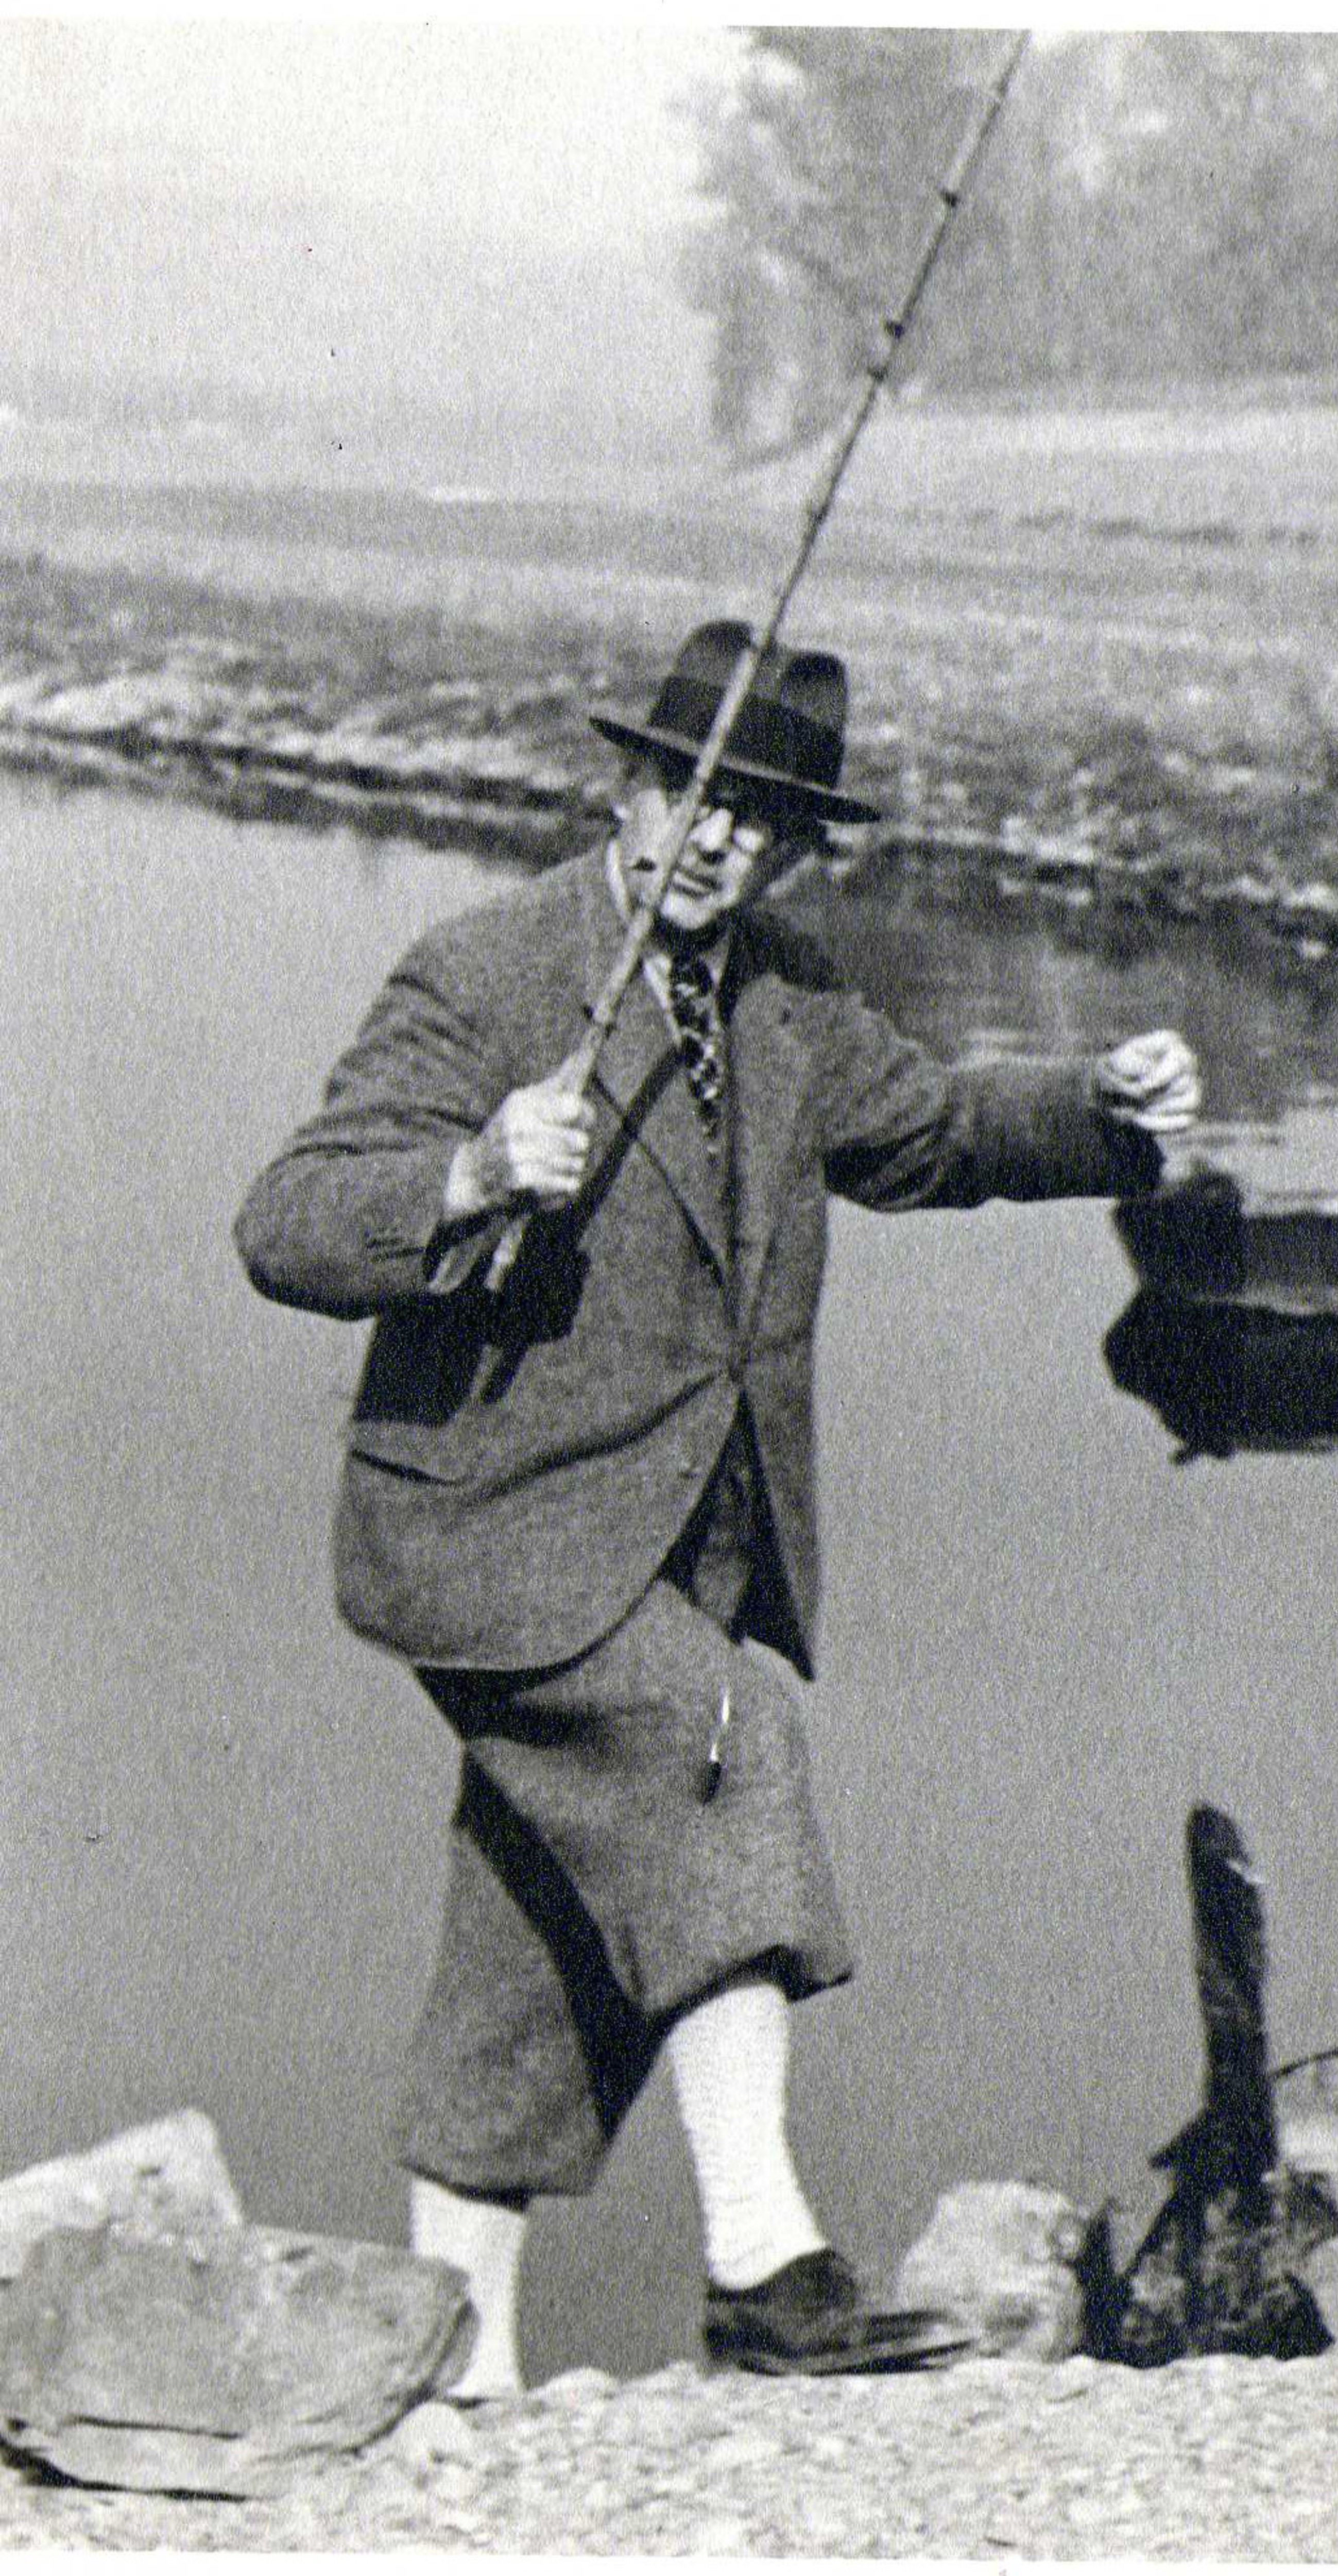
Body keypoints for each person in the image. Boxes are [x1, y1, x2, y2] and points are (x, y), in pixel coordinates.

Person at [234, 619, 1201, 2384]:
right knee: (719, 1744)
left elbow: (928, 1133)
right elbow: (289, 1222)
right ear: (627, 787)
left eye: (762, 820)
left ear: (795, 850)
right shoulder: (488, 971)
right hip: (487, 1533)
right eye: (692, 794)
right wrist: (467, 1173)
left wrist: (1103, 1112)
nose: (719, 841)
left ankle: (455, 2374)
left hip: (674, 1546)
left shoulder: (781, 993)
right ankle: (764, 2264)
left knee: (540, 1941)